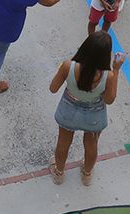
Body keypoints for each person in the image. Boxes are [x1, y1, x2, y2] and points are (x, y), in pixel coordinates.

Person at [48, 33, 123, 185]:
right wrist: (116, 70)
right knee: (91, 143)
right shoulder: (107, 76)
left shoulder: (68, 66)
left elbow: (53, 88)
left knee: (63, 142)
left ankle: (59, 173)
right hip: (93, 115)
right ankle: (87, 174)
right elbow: (109, 100)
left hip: (68, 111)